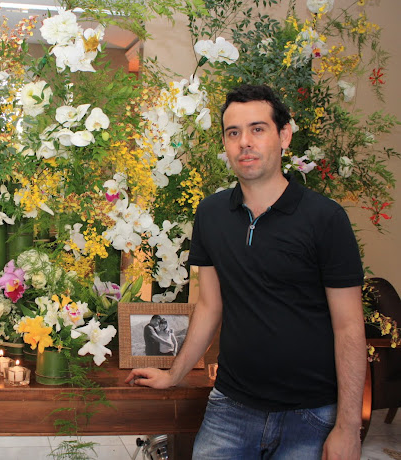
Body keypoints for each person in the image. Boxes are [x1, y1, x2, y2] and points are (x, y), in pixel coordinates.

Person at [125, 84, 366, 459]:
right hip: (231, 409)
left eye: (257, 129)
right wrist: (174, 374)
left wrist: (349, 427)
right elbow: (209, 306)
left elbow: (349, 327)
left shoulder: (325, 218)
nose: (244, 143)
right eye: (233, 133)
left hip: (310, 415)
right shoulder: (211, 213)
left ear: (284, 135)